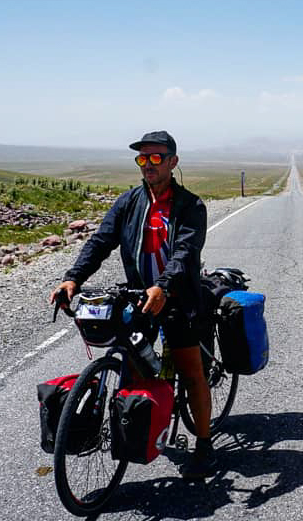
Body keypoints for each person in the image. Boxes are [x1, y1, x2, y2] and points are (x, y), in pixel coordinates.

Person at [49, 130, 217, 478]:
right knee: (136, 367)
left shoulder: (190, 206)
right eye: (142, 158)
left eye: (156, 157)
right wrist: (73, 278)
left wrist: (164, 286)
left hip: (178, 298)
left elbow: (185, 253)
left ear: (173, 161)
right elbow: (101, 241)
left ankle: (204, 445)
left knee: (190, 371)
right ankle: (144, 427)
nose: (148, 164)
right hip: (139, 298)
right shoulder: (129, 202)